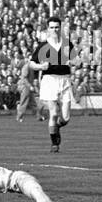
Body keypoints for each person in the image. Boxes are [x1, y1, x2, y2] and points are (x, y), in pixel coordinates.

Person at [29, 13, 76, 152]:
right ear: (47, 29)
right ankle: (54, 144)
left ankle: (57, 127)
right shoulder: (43, 46)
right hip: (49, 80)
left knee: (66, 117)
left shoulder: (67, 44)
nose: (54, 30)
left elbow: (77, 60)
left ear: (60, 28)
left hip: (65, 79)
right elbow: (31, 63)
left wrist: (72, 61)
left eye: (57, 27)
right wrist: (40, 67)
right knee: (54, 113)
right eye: (52, 27)